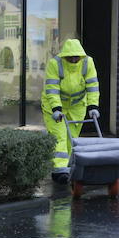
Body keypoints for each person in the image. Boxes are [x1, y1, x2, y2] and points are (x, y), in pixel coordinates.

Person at [42, 38, 100, 183]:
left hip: (77, 106)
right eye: (71, 57)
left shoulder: (88, 62)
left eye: (76, 57)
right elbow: (52, 88)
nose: (74, 59)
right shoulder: (55, 64)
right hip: (54, 106)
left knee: (71, 139)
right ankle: (60, 170)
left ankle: (65, 168)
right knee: (59, 136)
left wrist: (93, 106)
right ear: (65, 55)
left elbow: (92, 85)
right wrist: (56, 108)